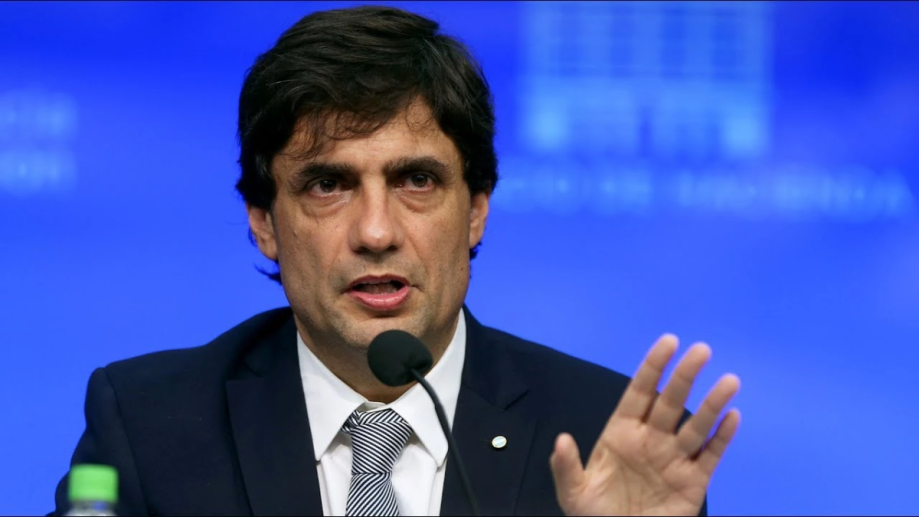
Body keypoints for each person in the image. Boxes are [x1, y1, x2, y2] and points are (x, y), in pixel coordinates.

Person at [52, 5, 741, 516]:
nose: (376, 232)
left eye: (416, 180)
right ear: (263, 222)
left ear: (476, 209)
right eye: (328, 184)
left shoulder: (601, 435)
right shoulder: (149, 424)